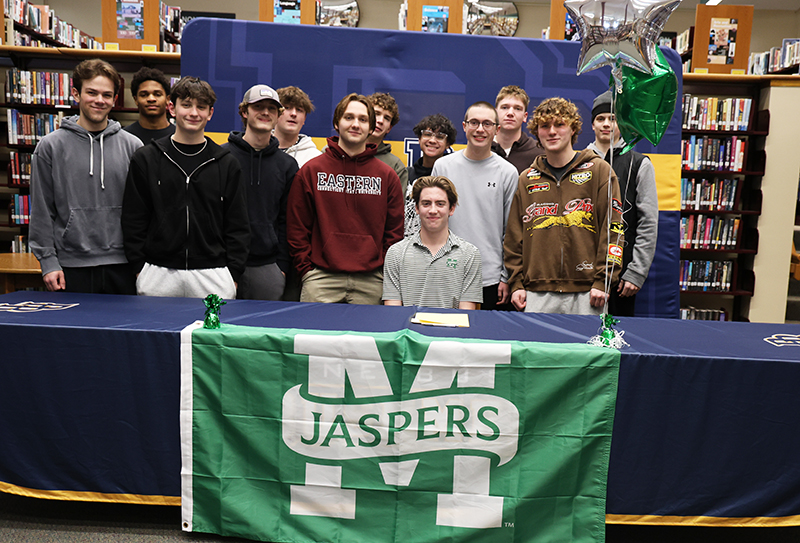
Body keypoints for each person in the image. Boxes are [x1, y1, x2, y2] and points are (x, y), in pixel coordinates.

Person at [122, 77, 250, 299]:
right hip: (157, 272)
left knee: (211, 335)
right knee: (157, 333)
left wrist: (233, 273)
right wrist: (139, 268)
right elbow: (134, 218)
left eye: (201, 107)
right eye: (187, 105)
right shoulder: (147, 158)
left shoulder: (226, 163)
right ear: (172, 107)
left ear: (210, 113)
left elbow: (237, 224)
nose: (194, 113)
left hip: (214, 275)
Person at [29, 58, 143, 294]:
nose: (99, 100)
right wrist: (48, 262)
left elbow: (144, 211)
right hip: (70, 266)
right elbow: (41, 209)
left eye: (107, 95)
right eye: (92, 92)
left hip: (124, 265)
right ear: (76, 93)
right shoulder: (50, 147)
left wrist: (142, 261)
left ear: (114, 99)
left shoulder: (133, 147)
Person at [504, 96, 623, 315]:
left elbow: (613, 230)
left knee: (588, 350)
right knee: (539, 350)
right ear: (536, 131)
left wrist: (603, 280)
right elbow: (513, 238)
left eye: (559, 124)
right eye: (544, 126)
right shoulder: (527, 179)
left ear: (573, 129)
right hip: (537, 292)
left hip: (589, 291)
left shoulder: (599, 171)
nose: (552, 131)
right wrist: (517, 283)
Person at [287, 93, 403, 305]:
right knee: (313, 339)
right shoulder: (311, 171)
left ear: (371, 127)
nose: (355, 124)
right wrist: (306, 270)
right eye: (349, 117)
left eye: (362, 119)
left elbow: (394, 232)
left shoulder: (387, 176)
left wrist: (382, 268)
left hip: (371, 280)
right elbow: (297, 227)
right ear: (336, 123)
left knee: (369, 339)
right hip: (320, 279)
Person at [431, 101, 518, 310]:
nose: (480, 129)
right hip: (444, 272)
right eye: (474, 123)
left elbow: (512, 231)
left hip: (489, 279)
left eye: (487, 124)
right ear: (464, 126)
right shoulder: (443, 166)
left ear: (497, 129)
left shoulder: (507, 172)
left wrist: (505, 277)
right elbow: (429, 222)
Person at [222, 84, 299, 300]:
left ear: (278, 116)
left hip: (268, 268)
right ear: (245, 112)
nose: (265, 112)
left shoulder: (288, 165)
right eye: (258, 107)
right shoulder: (221, 157)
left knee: (263, 333)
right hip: (222, 266)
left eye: (271, 109)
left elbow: (288, 220)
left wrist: (281, 266)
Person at [586, 90, 658, 316]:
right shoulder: (578, 162)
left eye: (613, 118)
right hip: (582, 272)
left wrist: (636, 272)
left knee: (613, 342)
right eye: (600, 118)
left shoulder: (639, 164)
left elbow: (648, 223)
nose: (606, 124)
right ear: (592, 125)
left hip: (622, 274)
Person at [383, 175, 482, 309]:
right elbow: (393, 313)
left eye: (440, 204)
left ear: (451, 209)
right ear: (417, 208)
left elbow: (466, 315)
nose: (433, 210)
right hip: (408, 330)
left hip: (452, 330)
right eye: (426, 203)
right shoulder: (396, 253)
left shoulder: (469, 254)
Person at [405, 113, 457, 237]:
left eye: (440, 136)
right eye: (427, 134)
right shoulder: (406, 174)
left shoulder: (452, 176)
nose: (432, 140)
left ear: (448, 143)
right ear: (419, 138)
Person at [491, 85, 542, 174]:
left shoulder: (539, 154)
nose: (510, 113)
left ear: (525, 116)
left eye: (517, 108)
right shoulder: (482, 150)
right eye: (505, 107)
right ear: (495, 113)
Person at [367, 92, 409, 195]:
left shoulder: (396, 166)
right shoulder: (340, 151)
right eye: (376, 114)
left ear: (389, 128)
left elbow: (396, 209)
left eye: (387, 118)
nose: (380, 121)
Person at [124, 66, 175, 144]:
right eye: (144, 95)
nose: (151, 99)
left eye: (157, 94)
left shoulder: (179, 136)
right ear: (136, 100)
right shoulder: (125, 137)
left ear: (167, 99)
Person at [275, 86, 322, 168]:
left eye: (299, 110)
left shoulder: (315, 158)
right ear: (275, 112)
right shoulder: (259, 148)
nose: (293, 114)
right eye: (287, 108)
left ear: (304, 119)